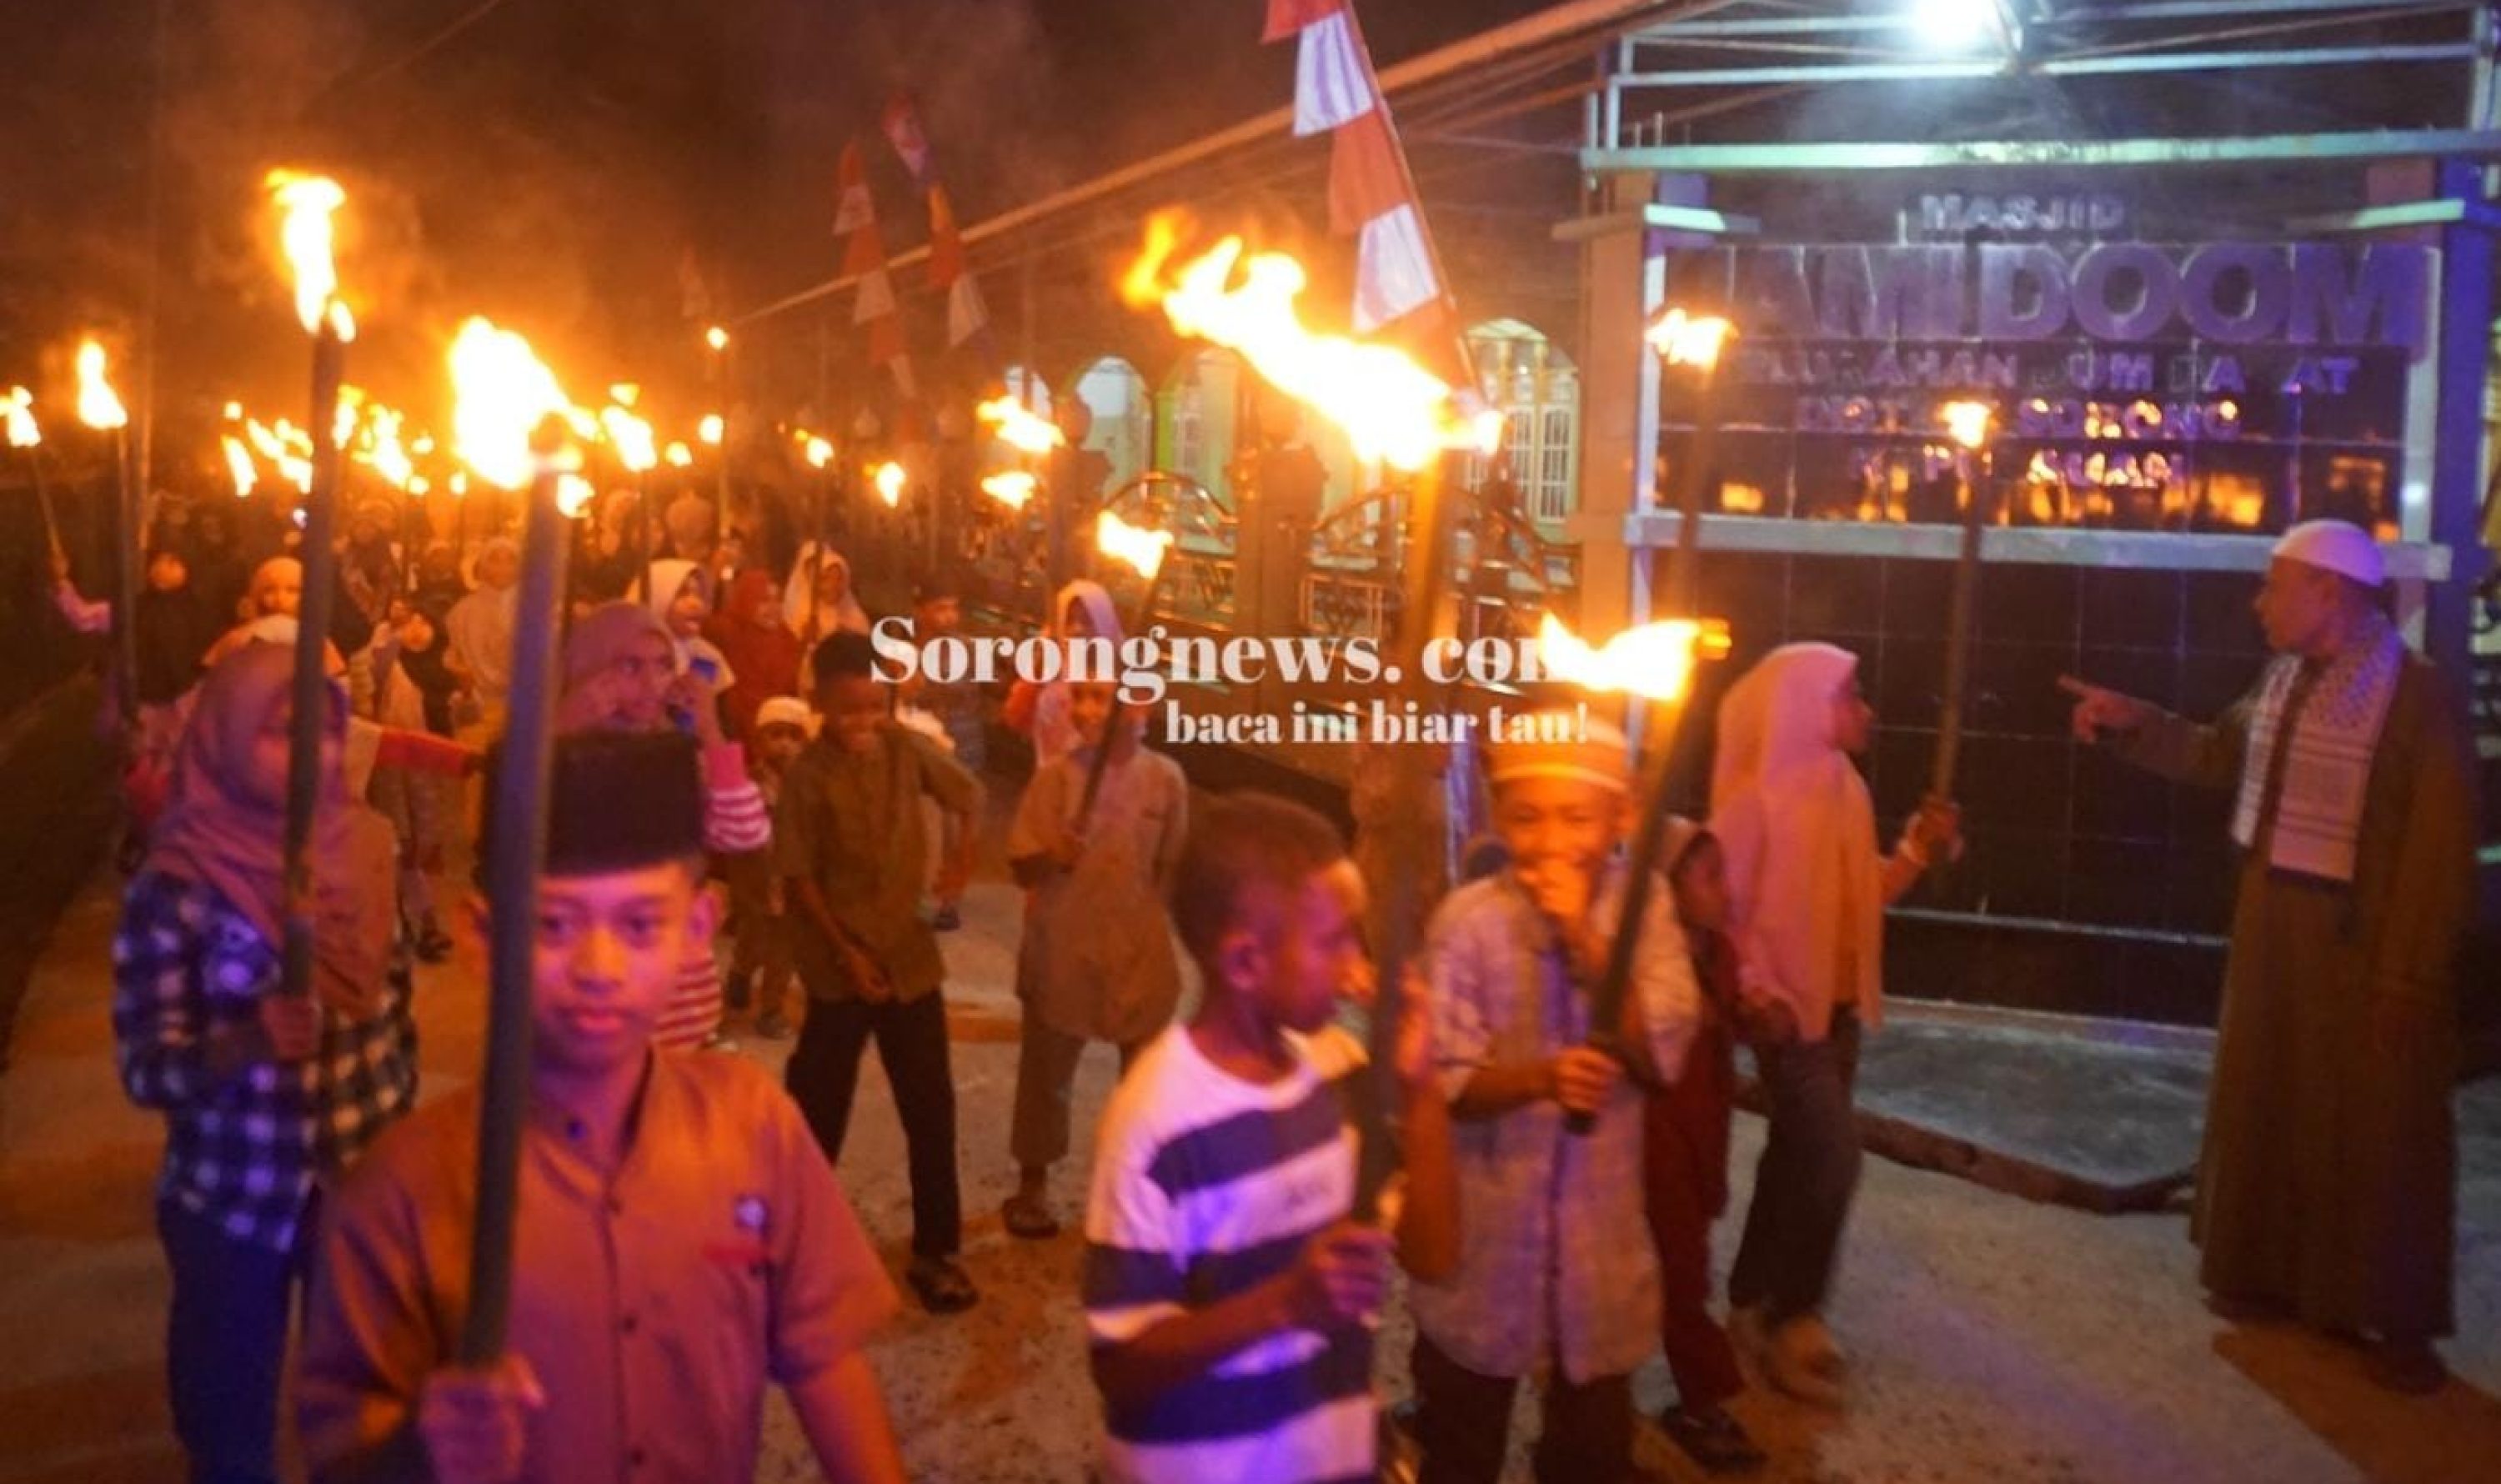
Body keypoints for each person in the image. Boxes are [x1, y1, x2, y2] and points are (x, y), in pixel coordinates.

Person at [295, 729, 909, 1484]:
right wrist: (422, 1448)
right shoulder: (402, 1190)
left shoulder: (752, 1125)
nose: (599, 967)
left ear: (697, 931)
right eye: (553, 924)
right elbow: (340, 1447)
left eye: (640, 924)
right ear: (482, 936)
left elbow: (825, 1359)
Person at [2062, 519, 2477, 1395]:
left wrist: (2409, 973)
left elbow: (2439, 847)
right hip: (2273, 928)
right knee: (2272, 1100)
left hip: (2365, 943)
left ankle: (2394, 1318)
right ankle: (2270, 1278)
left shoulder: (2416, 696)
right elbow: (2222, 754)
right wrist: (2136, 722)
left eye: (2275, 585)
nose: (2259, 603)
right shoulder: (2285, 679)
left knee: (2379, 1125)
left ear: (2329, 591)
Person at [1082, 790, 1458, 1484]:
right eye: (1334, 940)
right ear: (1245, 964)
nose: (1357, 960)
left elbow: (1433, 1256)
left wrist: (1423, 1088)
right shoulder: (1156, 1121)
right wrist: (1286, 1303)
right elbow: (1120, 1366)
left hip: (1324, 1454)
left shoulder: (1339, 1075)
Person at [113, 642, 417, 1484]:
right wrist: (242, 1043)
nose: (314, 753)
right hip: (235, 1192)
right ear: (227, 738)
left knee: (364, 1406)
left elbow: (395, 1014)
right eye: (282, 732)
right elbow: (145, 1067)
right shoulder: (178, 885)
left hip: (357, 1180)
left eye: (326, 732)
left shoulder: (367, 846)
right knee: (228, 1409)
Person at [1406, 712, 1698, 1484]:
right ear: (1499, 818)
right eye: (1528, 817)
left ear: (1622, 816)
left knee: (1592, 1449)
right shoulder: (1468, 922)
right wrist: (1540, 1078)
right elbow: (1448, 1078)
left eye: (1577, 817)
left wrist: (1587, 944)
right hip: (1487, 1239)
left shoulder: (1647, 907)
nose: (1551, 841)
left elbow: (1663, 1049)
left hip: (1600, 1246)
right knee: (1462, 1440)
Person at [1711, 644, 1958, 1408]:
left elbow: (1861, 896)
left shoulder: (1844, 788)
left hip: (1838, 1011)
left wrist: (1914, 851)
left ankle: (1751, 1297)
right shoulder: (1754, 804)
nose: (1865, 710)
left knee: (1795, 1153)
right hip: (1788, 1020)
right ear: (1803, 705)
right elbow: (1722, 919)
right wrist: (1755, 992)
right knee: (1834, 1158)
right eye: (1849, 695)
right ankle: (1795, 1317)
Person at [777, 630, 983, 1313]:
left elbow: (968, 796)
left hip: (910, 960)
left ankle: (937, 1251)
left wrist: (959, 867)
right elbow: (800, 876)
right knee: (818, 1109)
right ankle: (796, 1250)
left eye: (874, 707)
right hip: (838, 971)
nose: (864, 723)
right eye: (849, 711)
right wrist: (847, 953)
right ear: (820, 704)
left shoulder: (905, 750)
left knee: (930, 1108)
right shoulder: (807, 777)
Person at [1000, 678, 1187, 1239]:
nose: (1083, 710)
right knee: (1046, 1075)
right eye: (1078, 696)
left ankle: (1138, 1185)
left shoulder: (1166, 779)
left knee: (1145, 1081)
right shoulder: (1056, 779)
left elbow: (1171, 867)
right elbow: (1021, 866)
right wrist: (1053, 854)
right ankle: (1033, 1184)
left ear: (1139, 703)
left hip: (1138, 948)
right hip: (1065, 945)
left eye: (1100, 697)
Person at [1644, 820, 1792, 1475]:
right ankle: (1702, 1401)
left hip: (1703, 1134)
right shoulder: (1652, 961)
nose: (1725, 890)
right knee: (1681, 1274)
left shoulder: (1721, 953)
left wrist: (1764, 1018)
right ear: (1666, 887)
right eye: (1709, 876)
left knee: (1681, 1262)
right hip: (1658, 1140)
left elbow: (1741, 1018)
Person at [557, 602, 771, 1050]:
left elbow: (745, 832)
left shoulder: (674, 752)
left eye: (662, 665)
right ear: (589, 670)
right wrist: (561, 730)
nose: (651, 682)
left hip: (680, 992)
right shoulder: (556, 752)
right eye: (629, 666)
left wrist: (710, 728)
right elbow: (517, 842)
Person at [728, 695, 812, 1041]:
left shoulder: (810, 785)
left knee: (785, 948)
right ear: (759, 740)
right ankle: (741, 972)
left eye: (794, 736)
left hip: (793, 878)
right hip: (757, 878)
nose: (785, 744)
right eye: (776, 735)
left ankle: (771, 1008)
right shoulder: (749, 782)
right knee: (755, 936)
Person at [1002, 579, 1120, 770]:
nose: (1077, 629)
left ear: (1104, 623)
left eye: (1087, 621)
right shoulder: (1053, 667)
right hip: (1049, 777)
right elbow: (1016, 719)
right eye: (1069, 620)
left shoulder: (1120, 679)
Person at [706, 568, 802, 742]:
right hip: (733, 735)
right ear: (746, 601)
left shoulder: (788, 641)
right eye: (764, 600)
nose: (774, 608)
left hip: (781, 736)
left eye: (778, 600)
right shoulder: (726, 634)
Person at [445, 536, 519, 738]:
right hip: (477, 708)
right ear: (482, 566)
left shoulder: (534, 611)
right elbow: (453, 658)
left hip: (522, 708)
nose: (502, 568)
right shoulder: (462, 611)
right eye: (495, 560)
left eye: (510, 560)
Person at [642, 557, 738, 695]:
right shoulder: (637, 656)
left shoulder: (706, 656)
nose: (696, 603)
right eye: (682, 594)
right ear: (658, 597)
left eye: (699, 595)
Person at [785, 541, 870, 651]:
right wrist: (805, 639)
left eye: (838, 579)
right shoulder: (799, 614)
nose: (833, 586)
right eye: (826, 579)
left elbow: (865, 646)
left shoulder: (852, 612)